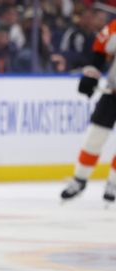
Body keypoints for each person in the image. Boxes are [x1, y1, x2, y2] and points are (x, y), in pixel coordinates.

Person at [61, 18, 116, 204]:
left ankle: (114, 182)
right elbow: (100, 50)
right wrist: (91, 76)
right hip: (113, 93)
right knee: (95, 137)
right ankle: (79, 179)